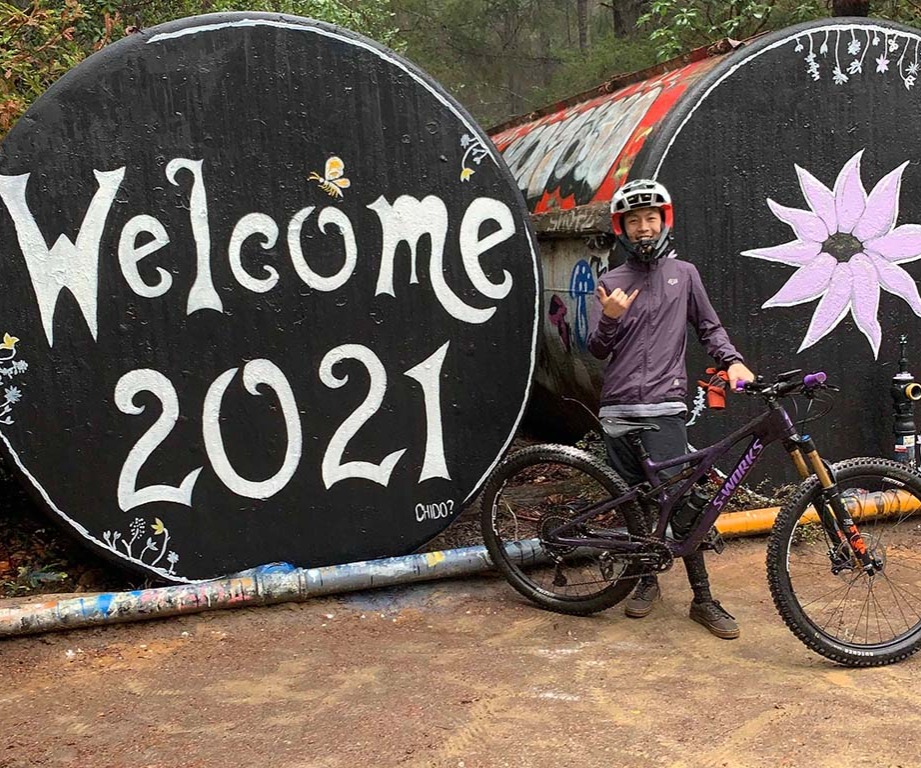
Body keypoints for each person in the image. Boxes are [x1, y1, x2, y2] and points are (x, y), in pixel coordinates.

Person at [586, 178, 754, 640]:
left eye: (650, 218)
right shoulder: (610, 283)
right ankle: (646, 581)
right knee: (636, 503)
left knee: (680, 505)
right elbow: (597, 349)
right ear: (621, 228)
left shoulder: (685, 275)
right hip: (618, 409)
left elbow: (709, 328)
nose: (643, 228)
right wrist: (610, 318)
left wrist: (733, 361)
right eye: (634, 221)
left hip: (664, 407)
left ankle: (703, 599)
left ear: (664, 221)